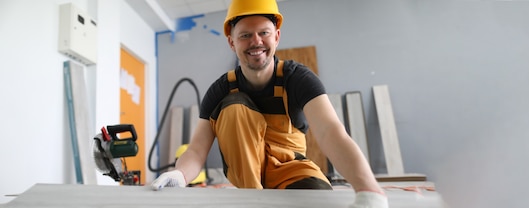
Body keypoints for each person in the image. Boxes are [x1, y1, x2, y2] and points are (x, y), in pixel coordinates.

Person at [151, 0, 388, 207]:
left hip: (292, 171)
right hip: (247, 178)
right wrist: (180, 175)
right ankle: (252, 201)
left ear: (277, 36)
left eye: (264, 33)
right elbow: (196, 149)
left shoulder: (298, 79)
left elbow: (330, 132)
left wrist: (368, 190)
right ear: (232, 43)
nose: (256, 42)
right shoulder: (221, 90)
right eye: (245, 35)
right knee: (233, 105)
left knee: (319, 199)